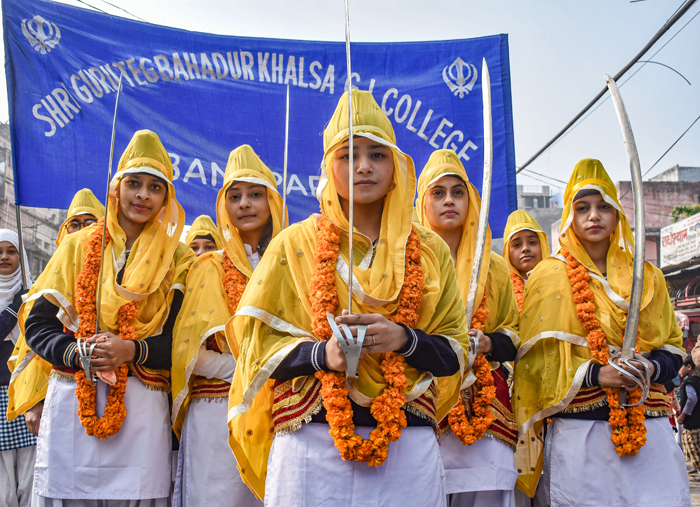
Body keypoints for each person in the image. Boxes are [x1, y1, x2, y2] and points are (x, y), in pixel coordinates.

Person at [227, 91, 471, 506]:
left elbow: (455, 353)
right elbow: (257, 354)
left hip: (407, 447)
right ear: (328, 166)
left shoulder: (428, 250)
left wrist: (403, 340)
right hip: (310, 442)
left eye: (377, 155)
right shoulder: (294, 243)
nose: (363, 166)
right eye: (348, 155)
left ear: (397, 165)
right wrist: (324, 355)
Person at [20, 129, 194, 505]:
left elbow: (183, 341)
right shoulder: (78, 246)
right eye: (134, 183)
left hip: (141, 407)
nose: (143, 195)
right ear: (116, 189)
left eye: (155, 186)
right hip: (72, 400)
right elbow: (38, 324)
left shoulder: (179, 259)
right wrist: (77, 352)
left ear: (167, 197)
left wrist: (131, 350)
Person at [513, 158, 690, 507]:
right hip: (581, 431)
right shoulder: (548, 276)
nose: (593, 216)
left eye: (603, 206)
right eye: (583, 208)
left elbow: (673, 345)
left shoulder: (647, 274)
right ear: (569, 217)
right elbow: (534, 364)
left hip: (650, 426)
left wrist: (651, 368)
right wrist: (597, 374)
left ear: (617, 216)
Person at [172, 145, 286, 507]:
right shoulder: (210, 266)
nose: (245, 204)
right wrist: (253, 369)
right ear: (224, 206)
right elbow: (191, 354)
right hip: (217, 414)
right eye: (235, 196)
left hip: (280, 409)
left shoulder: (292, 261)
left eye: (255, 194)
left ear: (273, 202)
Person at [416, 149, 520, 507]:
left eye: (458, 192)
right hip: (420, 401)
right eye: (438, 192)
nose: (449, 201)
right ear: (421, 202)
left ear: (471, 200)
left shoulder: (493, 265)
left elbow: (515, 336)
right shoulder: (403, 260)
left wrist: (489, 343)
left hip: (484, 409)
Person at [7, 188, 105, 438]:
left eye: (90, 223)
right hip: (58, 389)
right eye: (75, 224)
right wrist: (34, 404)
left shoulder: (120, 274)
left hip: (114, 390)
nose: (82, 230)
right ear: (64, 232)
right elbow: (32, 343)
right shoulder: (50, 278)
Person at [0, 230, 34, 507]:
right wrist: (14, 308)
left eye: (11, 251)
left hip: (27, 391)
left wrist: (27, 302)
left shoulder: (35, 292)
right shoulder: (19, 299)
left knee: (29, 467)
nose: (4, 257)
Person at [501, 210, 549, 312]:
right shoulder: (502, 289)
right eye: (517, 245)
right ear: (507, 252)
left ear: (543, 246)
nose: (525, 248)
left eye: (532, 242)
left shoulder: (558, 281)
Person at [679, 356, 700, 482]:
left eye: (681, 367)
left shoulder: (689, 382)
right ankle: (695, 468)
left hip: (691, 420)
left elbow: (692, 399)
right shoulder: (697, 380)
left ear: (689, 367)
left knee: (693, 447)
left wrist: (683, 414)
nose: (679, 370)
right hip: (698, 419)